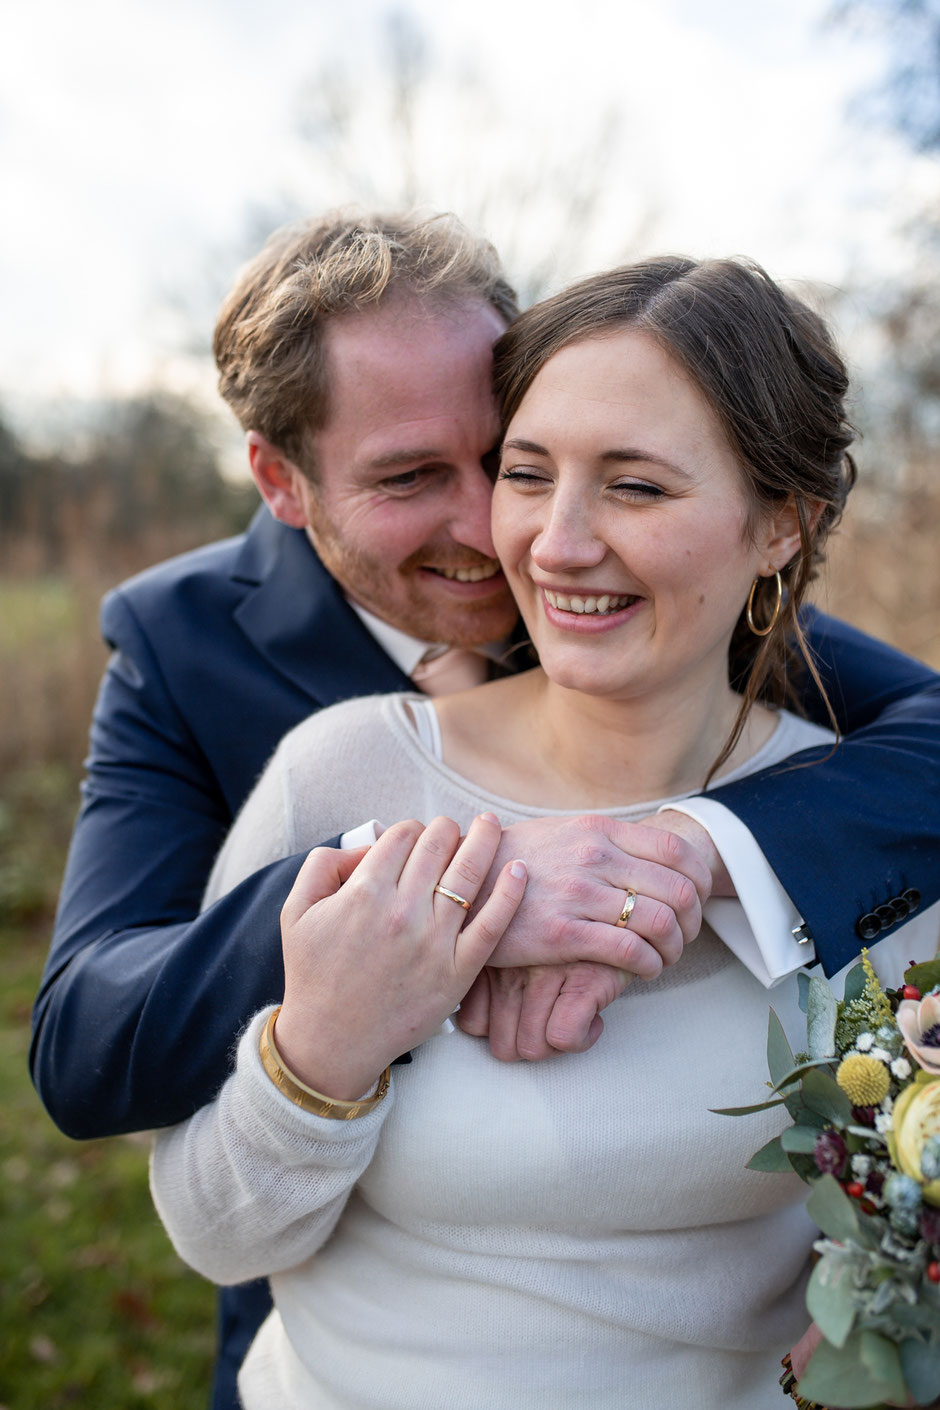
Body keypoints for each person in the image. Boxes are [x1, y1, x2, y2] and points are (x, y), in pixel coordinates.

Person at [33, 213, 940, 1408]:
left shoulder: (688, 608)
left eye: (502, 453)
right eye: (413, 477)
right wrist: (421, 897)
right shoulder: (194, 651)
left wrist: (687, 845)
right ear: (281, 482)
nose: (511, 537)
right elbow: (90, 1037)